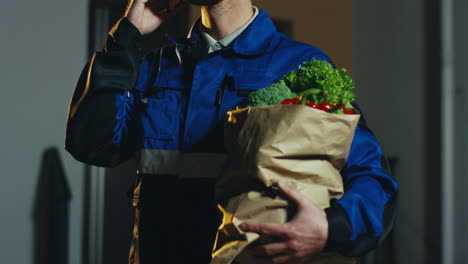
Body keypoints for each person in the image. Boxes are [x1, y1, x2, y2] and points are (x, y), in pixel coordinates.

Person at [65, 0, 398, 263]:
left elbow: (373, 180)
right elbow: (91, 144)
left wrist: (330, 227)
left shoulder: (299, 66)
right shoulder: (154, 67)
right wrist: (126, 38)